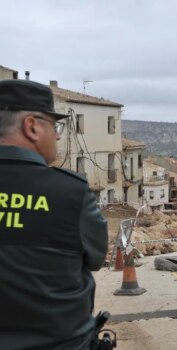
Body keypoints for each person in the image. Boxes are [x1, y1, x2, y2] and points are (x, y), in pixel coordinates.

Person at [0, 79, 108, 350]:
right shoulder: (71, 192)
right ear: (32, 126)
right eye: (54, 126)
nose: (58, 136)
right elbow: (95, 258)